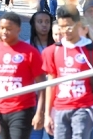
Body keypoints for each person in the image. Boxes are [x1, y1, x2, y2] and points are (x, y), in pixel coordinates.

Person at [42, 5, 93, 139]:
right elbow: (51, 85)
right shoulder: (52, 51)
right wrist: (47, 114)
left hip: (84, 107)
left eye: (69, 26)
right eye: (61, 27)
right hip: (60, 108)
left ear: (78, 24)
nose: (65, 31)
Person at [0, 12, 45, 139]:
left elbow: (42, 85)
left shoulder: (30, 52)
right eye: (2, 28)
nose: (4, 32)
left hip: (22, 109)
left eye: (9, 29)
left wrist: (40, 112)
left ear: (18, 30)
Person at [26, 11, 54, 139]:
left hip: (54, 98)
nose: (44, 25)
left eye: (47, 22)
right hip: (33, 98)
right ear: (33, 24)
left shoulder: (57, 46)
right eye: (40, 22)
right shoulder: (27, 46)